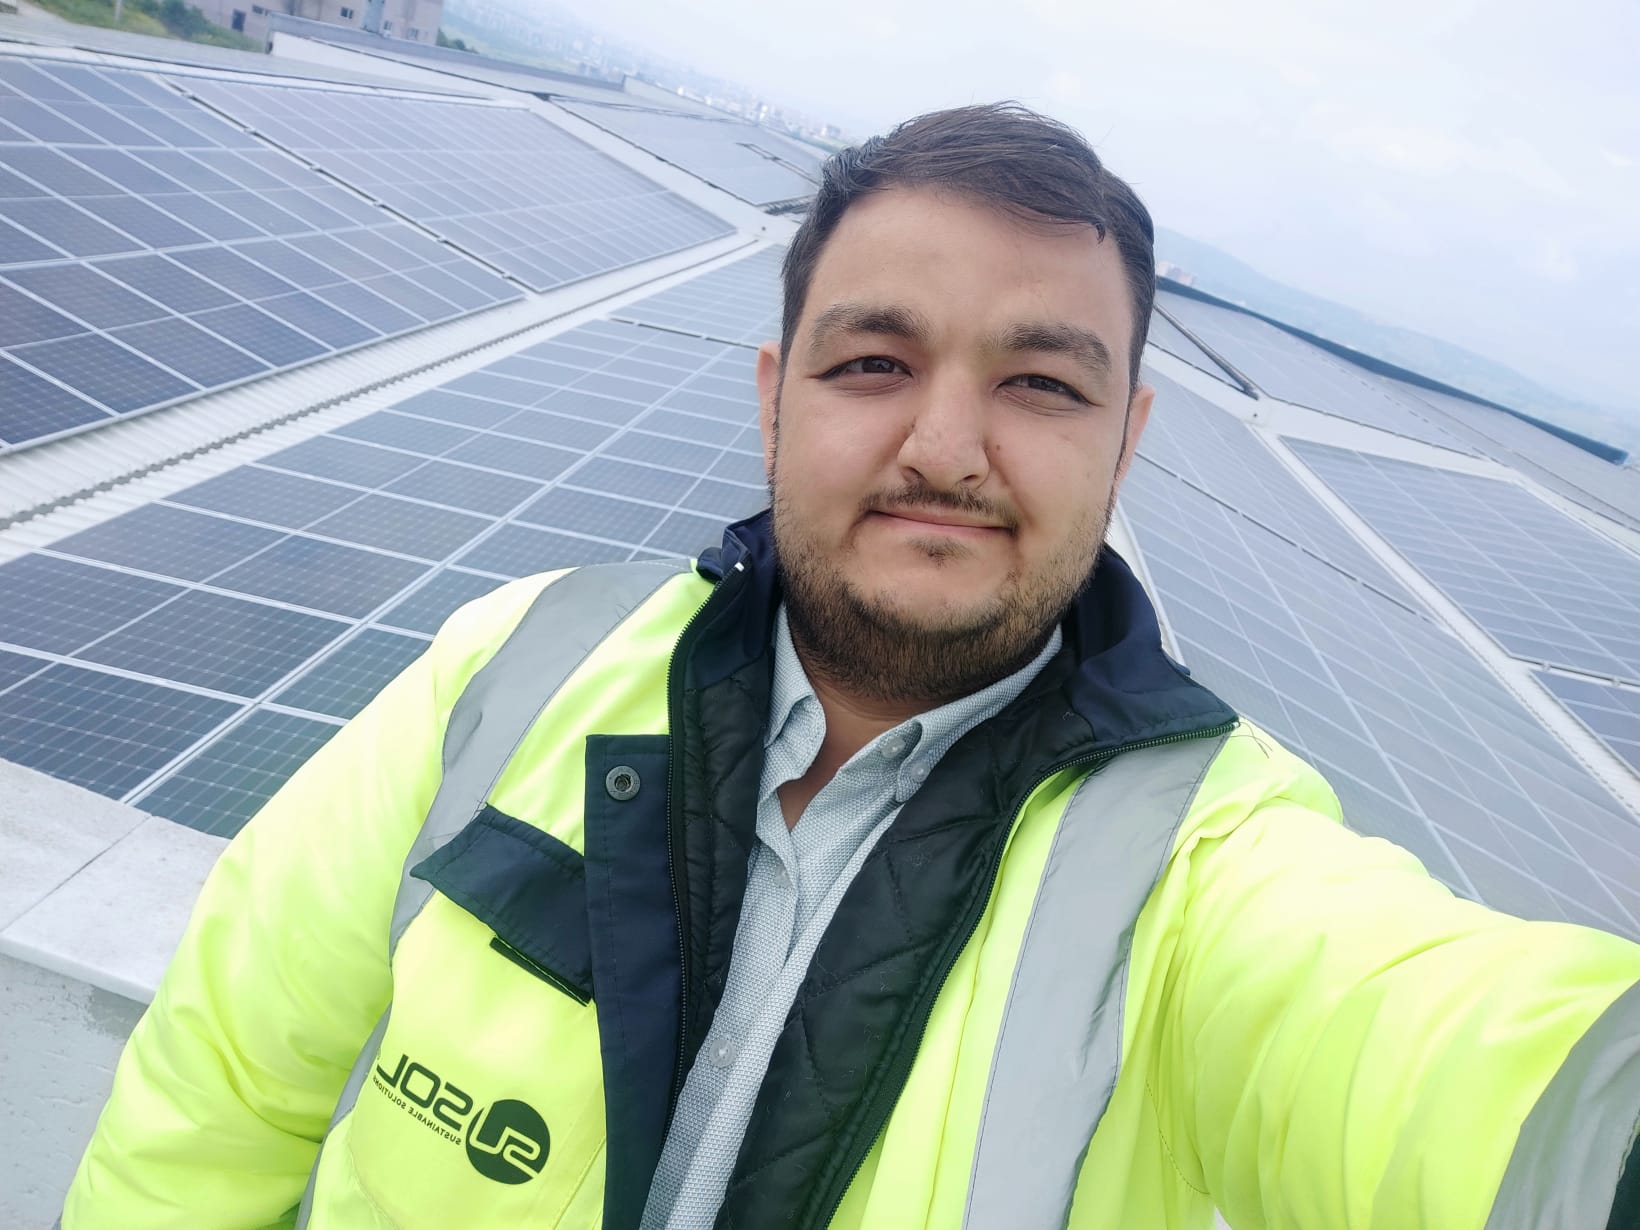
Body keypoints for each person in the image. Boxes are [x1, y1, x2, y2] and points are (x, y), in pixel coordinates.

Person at [63, 104, 1639, 1230]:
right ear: (773, 395)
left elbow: (1469, 1074)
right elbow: (219, 1096)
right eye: (875, 361)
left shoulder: (1208, 866)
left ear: (1128, 439)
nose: (944, 446)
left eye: (1042, 383)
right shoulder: (516, 663)